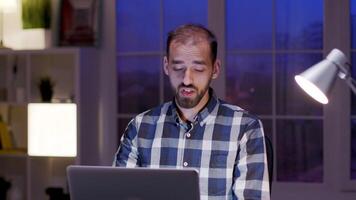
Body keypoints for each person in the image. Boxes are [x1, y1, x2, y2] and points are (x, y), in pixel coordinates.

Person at [113, 24, 270, 199]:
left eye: (198, 69)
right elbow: (120, 194)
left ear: (215, 69)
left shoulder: (246, 128)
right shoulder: (140, 127)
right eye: (178, 68)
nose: (187, 80)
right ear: (166, 66)